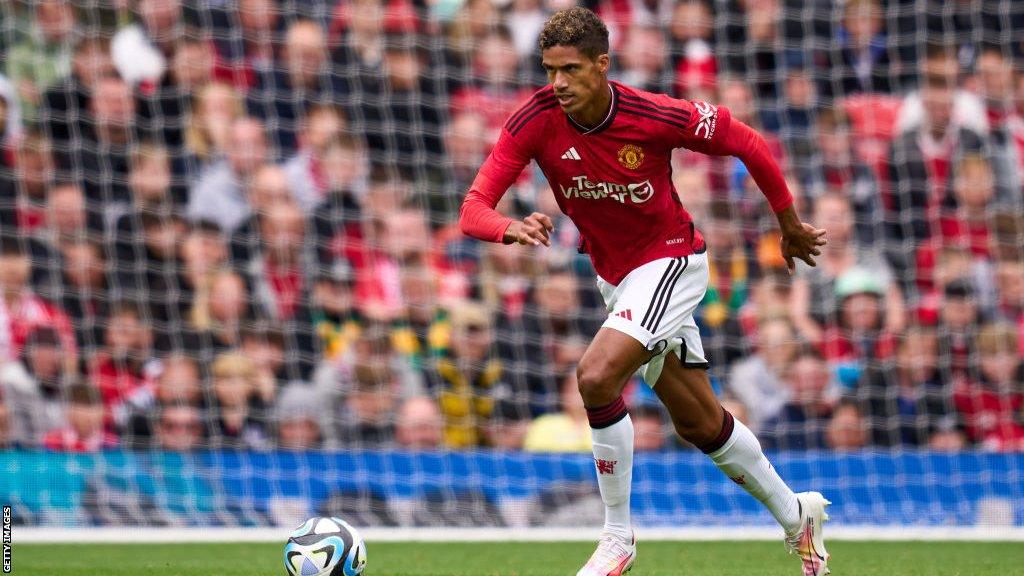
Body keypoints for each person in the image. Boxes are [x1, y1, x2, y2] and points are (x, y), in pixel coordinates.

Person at [458, 8, 830, 575]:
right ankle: (796, 513)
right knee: (700, 424)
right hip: (617, 280)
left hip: (672, 261)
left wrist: (789, 224)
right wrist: (508, 227)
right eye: (550, 69)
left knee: (595, 376)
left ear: (602, 65)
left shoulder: (651, 113)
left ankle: (617, 537)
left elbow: (745, 140)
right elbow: (471, 210)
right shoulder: (533, 119)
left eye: (571, 69)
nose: (557, 82)